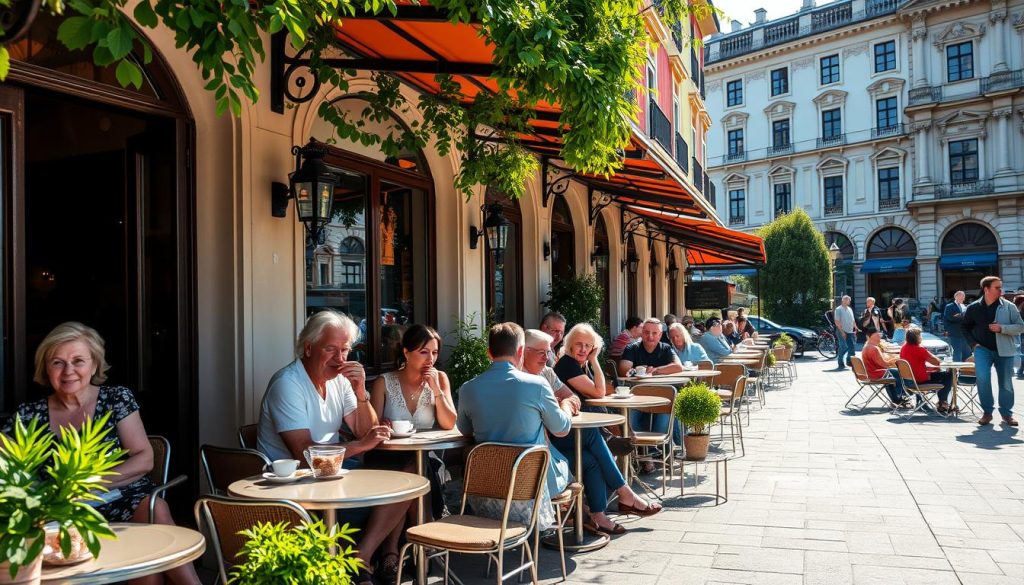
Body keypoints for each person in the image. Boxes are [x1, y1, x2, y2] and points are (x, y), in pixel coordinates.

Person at [4, 322, 201, 585]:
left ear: (95, 364)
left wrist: (90, 481)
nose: (69, 371)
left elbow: (144, 458)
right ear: (45, 368)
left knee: (156, 510)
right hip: (63, 511)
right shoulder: (28, 415)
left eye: (78, 361)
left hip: (122, 496)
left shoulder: (115, 399)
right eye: (57, 362)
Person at [256, 311, 398, 585]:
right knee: (387, 497)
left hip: (332, 478)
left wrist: (360, 391)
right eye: (331, 349)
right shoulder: (287, 384)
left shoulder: (341, 381)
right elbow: (305, 453)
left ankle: (358, 559)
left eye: (345, 350)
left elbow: (363, 430)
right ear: (308, 347)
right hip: (294, 488)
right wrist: (360, 445)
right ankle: (355, 565)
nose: (340, 358)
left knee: (407, 480)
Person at [523, 330, 659, 534]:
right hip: (544, 447)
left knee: (590, 459)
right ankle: (624, 492)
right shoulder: (545, 372)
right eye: (541, 352)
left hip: (556, 440)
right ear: (522, 352)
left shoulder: (548, 373)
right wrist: (563, 406)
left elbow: (574, 398)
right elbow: (592, 396)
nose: (547, 356)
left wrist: (562, 404)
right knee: (591, 435)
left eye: (548, 351)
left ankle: (599, 514)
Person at [456, 322, 575, 528]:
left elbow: (465, 430)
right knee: (574, 462)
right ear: (521, 351)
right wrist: (565, 405)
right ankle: (577, 519)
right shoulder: (536, 385)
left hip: (485, 490)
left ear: (489, 353)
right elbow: (562, 429)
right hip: (528, 489)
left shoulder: (468, 388)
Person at [367, 325, 456, 580]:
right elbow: (372, 426)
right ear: (406, 352)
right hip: (386, 457)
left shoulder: (439, 379)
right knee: (409, 473)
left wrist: (436, 389)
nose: (431, 359)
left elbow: (450, 423)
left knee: (414, 471)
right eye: (423, 352)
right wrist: (381, 424)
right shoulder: (384, 381)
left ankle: (391, 552)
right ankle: (421, 548)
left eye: (435, 353)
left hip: (425, 457)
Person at [961, 276, 1024, 426]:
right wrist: (973, 344)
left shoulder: (1009, 306)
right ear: (986, 289)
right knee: (982, 380)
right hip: (982, 350)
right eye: (997, 288)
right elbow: (965, 327)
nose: (1001, 290)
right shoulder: (973, 307)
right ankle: (987, 412)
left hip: (1005, 351)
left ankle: (1007, 414)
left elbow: (1021, 327)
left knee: (1006, 383)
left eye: (1001, 287)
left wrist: (1002, 328)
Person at [899, 329, 954, 414]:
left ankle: (936, 402)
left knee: (939, 374)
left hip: (908, 381)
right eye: (920, 336)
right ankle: (942, 403)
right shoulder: (919, 349)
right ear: (917, 338)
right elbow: (936, 361)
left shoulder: (903, 348)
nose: (921, 338)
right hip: (920, 381)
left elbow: (915, 362)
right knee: (948, 375)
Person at [860, 327, 909, 406]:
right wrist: (895, 359)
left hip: (871, 372)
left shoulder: (867, 346)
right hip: (875, 374)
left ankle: (896, 399)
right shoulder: (873, 348)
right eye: (878, 335)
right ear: (872, 336)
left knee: (892, 374)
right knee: (897, 372)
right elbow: (884, 364)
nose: (880, 337)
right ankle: (900, 396)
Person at [943, 291, 970, 362]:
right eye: (961, 297)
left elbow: (968, 318)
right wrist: (962, 316)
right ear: (956, 297)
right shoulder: (949, 306)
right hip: (954, 333)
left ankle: (966, 369)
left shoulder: (965, 306)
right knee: (957, 352)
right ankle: (957, 370)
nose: (962, 299)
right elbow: (950, 318)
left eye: (963, 297)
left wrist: (959, 316)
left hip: (964, 334)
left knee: (967, 353)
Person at [834, 295, 857, 370]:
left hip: (850, 331)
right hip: (842, 331)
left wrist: (855, 328)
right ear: (843, 300)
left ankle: (849, 361)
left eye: (849, 300)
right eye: (848, 300)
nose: (849, 301)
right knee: (844, 346)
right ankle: (840, 362)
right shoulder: (838, 309)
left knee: (851, 347)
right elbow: (837, 322)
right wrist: (842, 332)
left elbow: (853, 320)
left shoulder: (850, 309)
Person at [1014, 294, 1024, 380]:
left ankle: (1019, 371)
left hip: (1019, 335)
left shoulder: (1017, 311)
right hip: (1021, 335)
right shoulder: (1019, 312)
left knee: (1021, 354)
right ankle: (1020, 371)